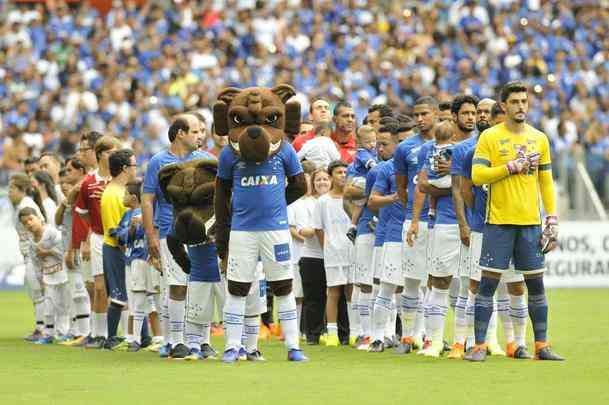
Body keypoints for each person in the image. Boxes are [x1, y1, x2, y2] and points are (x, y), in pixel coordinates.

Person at [465, 81, 564, 361]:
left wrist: (552, 219)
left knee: (535, 285)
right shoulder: (490, 138)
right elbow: (477, 176)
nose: (521, 106)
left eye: (524, 101)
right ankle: (480, 346)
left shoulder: (539, 138)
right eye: (516, 102)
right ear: (504, 106)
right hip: (498, 222)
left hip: (531, 223)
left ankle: (541, 346)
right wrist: (510, 167)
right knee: (487, 284)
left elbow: (545, 181)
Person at [216, 126, 307, 362]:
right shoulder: (229, 153)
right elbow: (221, 194)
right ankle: (232, 346)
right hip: (242, 232)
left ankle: (293, 346)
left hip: (276, 230)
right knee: (237, 287)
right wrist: (223, 235)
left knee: (284, 286)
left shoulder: (284, 149)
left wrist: (277, 203)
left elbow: (300, 185)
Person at [142, 113, 214, 359]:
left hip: (202, 234)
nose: (201, 136)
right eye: (195, 131)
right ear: (180, 133)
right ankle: (176, 341)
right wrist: (150, 234)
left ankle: (202, 341)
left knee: (201, 286)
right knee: (176, 285)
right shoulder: (158, 161)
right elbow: (148, 199)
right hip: (169, 231)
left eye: (202, 131)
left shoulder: (206, 160)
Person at [394, 97, 439, 354]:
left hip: (441, 222)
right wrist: (412, 214)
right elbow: (402, 187)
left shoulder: (448, 144)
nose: (420, 119)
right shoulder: (405, 148)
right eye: (416, 115)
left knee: (436, 283)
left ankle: (429, 335)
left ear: (435, 113)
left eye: (424, 114)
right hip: (415, 221)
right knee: (412, 281)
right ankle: (409, 336)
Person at [75, 134, 122, 349]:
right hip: (98, 237)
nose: (114, 156)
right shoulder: (88, 182)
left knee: (123, 286)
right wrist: (90, 233)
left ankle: (125, 334)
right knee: (100, 288)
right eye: (111, 152)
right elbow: (82, 212)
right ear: (101, 154)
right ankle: (98, 333)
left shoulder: (120, 179)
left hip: (120, 238)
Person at [366, 122, 407, 353]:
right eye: (378, 144)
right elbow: (371, 201)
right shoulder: (384, 169)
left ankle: (414, 336)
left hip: (416, 233)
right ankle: (378, 336)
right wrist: (394, 198)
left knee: (415, 289)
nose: (379, 149)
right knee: (386, 287)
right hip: (391, 235)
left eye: (384, 144)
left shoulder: (417, 165)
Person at [112, 178, 159, 352]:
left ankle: (160, 338)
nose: (122, 197)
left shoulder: (146, 212)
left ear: (133, 197)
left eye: (125, 194)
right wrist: (129, 230)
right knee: (137, 300)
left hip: (144, 258)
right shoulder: (128, 215)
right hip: (132, 259)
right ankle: (135, 339)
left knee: (153, 299)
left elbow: (148, 232)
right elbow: (121, 236)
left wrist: (135, 228)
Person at [313, 160, 355, 347]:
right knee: (333, 292)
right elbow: (318, 228)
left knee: (352, 291)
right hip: (333, 253)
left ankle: (355, 332)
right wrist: (327, 248)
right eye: (339, 172)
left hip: (353, 251)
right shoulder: (323, 201)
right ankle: (332, 334)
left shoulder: (354, 198)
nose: (343, 175)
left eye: (346, 172)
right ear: (331, 177)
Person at [100, 149, 138, 350]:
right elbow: (117, 230)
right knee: (119, 295)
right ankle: (111, 337)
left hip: (115, 248)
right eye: (134, 165)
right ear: (124, 168)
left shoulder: (113, 191)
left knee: (130, 295)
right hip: (116, 249)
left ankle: (141, 337)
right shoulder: (115, 195)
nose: (136, 169)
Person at [55, 158, 91, 346]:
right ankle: (80, 331)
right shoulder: (70, 196)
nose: (66, 174)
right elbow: (59, 221)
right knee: (77, 292)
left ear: (80, 170)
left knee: (82, 291)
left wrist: (73, 248)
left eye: (69, 170)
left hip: (81, 246)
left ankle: (85, 332)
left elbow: (83, 224)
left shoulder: (83, 191)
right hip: (73, 246)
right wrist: (64, 203)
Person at [20, 206, 70, 343]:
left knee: (63, 306)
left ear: (39, 218)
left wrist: (48, 252)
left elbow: (65, 252)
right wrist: (40, 279)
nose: (29, 224)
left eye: (30, 219)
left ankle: (64, 333)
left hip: (63, 275)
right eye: (25, 223)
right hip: (48, 277)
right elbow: (36, 264)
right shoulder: (31, 243)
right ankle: (48, 334)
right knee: (48, 307)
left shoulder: (52, 233)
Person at [294, 169, 331, 345]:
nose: (322, 182)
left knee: (335, 296)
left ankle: (335, 332)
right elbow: (303, 230)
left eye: (325, 179)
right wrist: (319, 228)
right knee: (313, 298)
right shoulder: (304, 204)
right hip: (312, 256)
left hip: (335, 255)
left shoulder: (336, 201)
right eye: (318, 180)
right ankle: (312, 335)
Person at [8, 173, 46, 341]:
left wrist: (39, 250)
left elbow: (41, 226)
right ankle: (43, 327)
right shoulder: (20, 206)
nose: (9, 192)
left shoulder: (27, 205)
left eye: (12, 188)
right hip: (29, 254)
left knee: (38, 291)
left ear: (22, 190)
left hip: (35, 254)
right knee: (35, 291)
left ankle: (42, 328)